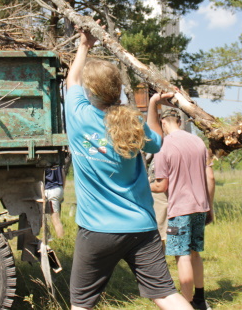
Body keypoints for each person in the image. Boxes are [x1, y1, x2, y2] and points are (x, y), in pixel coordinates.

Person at [65, 26, 192, 310]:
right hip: (141, 227)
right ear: (117, 89)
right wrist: (153, 105)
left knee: (81, 305)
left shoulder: (78, 114)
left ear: (90, 92)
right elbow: (157, 143)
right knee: (166, 294)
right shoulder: (131, 123)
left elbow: (71, 79)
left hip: (96, 230)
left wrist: (84, 44)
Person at [151, 108, 215, 310]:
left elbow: (161, 186)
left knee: (182, 256)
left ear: (163, 122)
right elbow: (210, 177)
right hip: (200, 207)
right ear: (179, 120)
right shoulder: (198, 142)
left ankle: (186, 303)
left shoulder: (164, 146)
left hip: (180, 209)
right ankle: (200, 299)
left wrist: (144, 184)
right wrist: (209, 207)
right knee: (195, 253)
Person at [44, 163, 65, 238]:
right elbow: (63, 174)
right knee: (56, 217)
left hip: (51, 191)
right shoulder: (58, 162)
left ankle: (61, 240)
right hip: (59, 189)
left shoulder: (45, 164)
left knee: (55, 219)